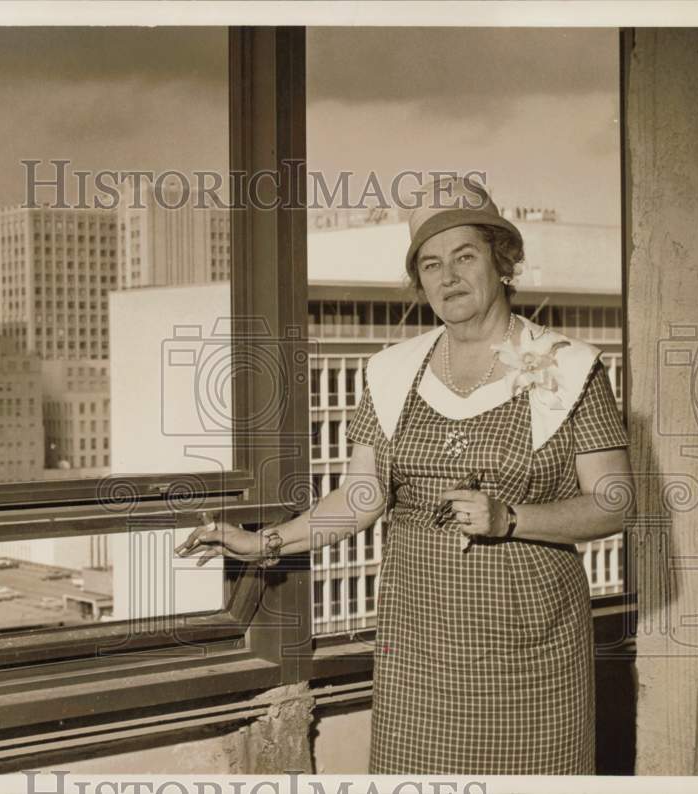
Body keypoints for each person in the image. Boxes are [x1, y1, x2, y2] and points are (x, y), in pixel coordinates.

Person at [175, 175, 635, 775]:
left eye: (465, 257)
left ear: (502, 262)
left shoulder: (572, 368)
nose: (448, 277)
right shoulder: (391, 373)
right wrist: (263, 542)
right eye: (430, 264)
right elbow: (362, 498)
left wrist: (512, 517)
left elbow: (616, 502)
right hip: (419, 639)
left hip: (534, 638)